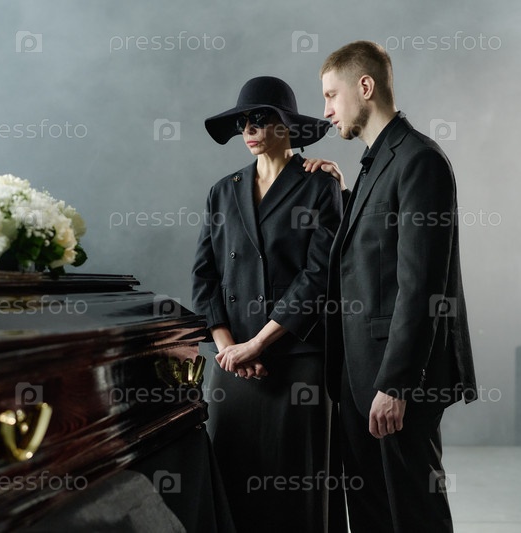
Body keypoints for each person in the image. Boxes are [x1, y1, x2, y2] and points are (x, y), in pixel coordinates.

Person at [319, 41, 478, 532]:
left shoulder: (420, 160)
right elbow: (374, 248)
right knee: (371, 515)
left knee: (414, 515)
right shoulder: (375, 163)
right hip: (358, 374)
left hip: (397, 380)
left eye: (331, 95)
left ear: (365, 87)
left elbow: (422, 286)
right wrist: (344, 194)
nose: (326, 111)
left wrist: (396, 384)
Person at [192, 76, 344, 532]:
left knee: (296, 488)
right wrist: (229, 349)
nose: (249, 129)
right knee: (231, 479)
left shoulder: (319, 185)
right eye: (243, 121)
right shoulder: (223, 191)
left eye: (260, 119)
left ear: (286, 125)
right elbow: (204, 278)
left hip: (296, 357)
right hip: (234, 363)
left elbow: (319, 276)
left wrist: (258, 344)